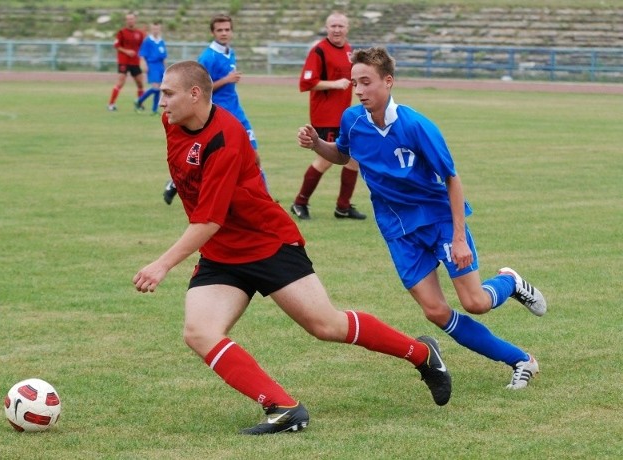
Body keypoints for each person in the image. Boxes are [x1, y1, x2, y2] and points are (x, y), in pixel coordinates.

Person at [133, 60, 452, 435]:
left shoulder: (226, 137)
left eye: (168, 94)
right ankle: (283, 408)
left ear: (195, 94)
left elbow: (209, 220)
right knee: (199, 331)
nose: (162, 102)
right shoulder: (172, 123)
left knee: (326, 325)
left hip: (268, 243)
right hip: (222, 252)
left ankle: (422, 354)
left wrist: (162, 264)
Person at [297, 47, 547, 390]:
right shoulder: (352, 120)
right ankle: (522, 360)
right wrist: (315, 145)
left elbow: (452, 179)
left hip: (438, 220)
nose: (358, 90)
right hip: (397, 230)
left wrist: (459, 238)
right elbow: (341, 154)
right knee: (435, 312)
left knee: (475, 303)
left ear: (388, 81)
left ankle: (510, 282)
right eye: (355, 83)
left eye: (366, 82)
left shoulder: (417, 126)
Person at [163, 14, 267, 205]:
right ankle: (177, 183)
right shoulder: (208, 57)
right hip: (218, 114)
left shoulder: (230, 52)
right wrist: (226, 80)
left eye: (227, 29)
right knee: (212, 159)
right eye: (220, 30)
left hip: (237, 111)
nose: (224, 33)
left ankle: (261, 200)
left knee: (254, 155)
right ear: (213, 32)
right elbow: (199, 88)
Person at [290, 12, 365, 221]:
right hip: (325, 117)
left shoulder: (349, 50)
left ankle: (343, 207)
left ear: (347, 28)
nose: (337, 30)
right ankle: (299, 202)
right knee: (326, 161)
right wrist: (335, 83)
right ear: (327, 27)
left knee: (353, 160)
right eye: (333, 26)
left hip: (344, 117)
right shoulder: (319, 50)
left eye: (341, 26)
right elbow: (306, 83)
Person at [107, 12, 145, 112]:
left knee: (140, 83)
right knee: (121, 82)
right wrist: (127, 51)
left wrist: (143, 58)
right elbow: (116, 45)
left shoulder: (140, 33)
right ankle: (111, 104)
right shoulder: (121, 32)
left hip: (135, 62)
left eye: (131, 19)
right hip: (124, 61)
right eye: (128, 19)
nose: (130, 21)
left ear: (135, 20)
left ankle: (139, 104)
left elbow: (143, 47)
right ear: (126, 21)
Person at [135, 20, 167, 115]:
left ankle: (154, 110)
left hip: (160, 66)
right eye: (154, 28)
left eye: (157, 28)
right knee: (155, 87)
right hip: (152, 65)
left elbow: (164, 57)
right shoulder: (148, 41)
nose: (155, 30)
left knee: (160, 88)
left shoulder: (161, 41)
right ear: (151, 29)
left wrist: (165, 69)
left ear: (160, 29)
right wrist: (144, 65)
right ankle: (139, 100)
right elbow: (142, 55)